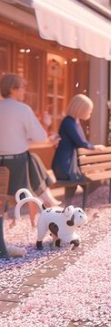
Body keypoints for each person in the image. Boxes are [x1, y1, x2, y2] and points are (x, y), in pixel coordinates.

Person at [0, 74, 60, 226]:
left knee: (32, 158)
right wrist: (46, 124)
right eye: (22, 88)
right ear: (13, 89)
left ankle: (47, 198)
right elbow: (40, 137)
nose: (24, 92)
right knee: (31, 158)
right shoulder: (23, 109)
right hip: (18, 168)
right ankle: (47, 198)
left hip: (3, 165)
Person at [51, 94, 105, 201]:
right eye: (89, 110)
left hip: (69, 164)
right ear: (81, 109)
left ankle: (68, 208)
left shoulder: (74, 121)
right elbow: (81, 142)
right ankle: (73, 208)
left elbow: (80, 142)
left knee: (80, 184)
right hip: (65, 166)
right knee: (87, 182)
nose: (90, 113)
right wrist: (95, 148)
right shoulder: (69, 123)